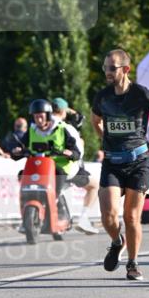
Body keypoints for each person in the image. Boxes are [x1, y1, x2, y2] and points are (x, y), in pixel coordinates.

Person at [91, 48, 149, 281]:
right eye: (105, 68)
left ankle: (133, 263)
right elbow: (95, 119)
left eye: (111, 68)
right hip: (112, 162)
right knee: (108, 215)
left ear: (126, 69)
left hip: (138, 162)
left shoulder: (140, 93)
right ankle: (116, 241)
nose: (107, 72)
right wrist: (105, 138)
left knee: (131, 217)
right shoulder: (102, 96)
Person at [15, 99, 85, 197]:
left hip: (60, 168)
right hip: (38, 166)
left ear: (48, 115)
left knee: (58, 173)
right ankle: (26, 200)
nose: (39, 120)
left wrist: (70, 153)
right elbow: (19, 148)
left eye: (41, 117)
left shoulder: (62, 129)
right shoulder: (31, 130)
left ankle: (56, 198)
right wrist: (17, 151)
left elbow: (77, 153)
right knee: (23, 174)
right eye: (36, 117)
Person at [51, 97, 99, 235]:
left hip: (47, 167)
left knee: (60, 191)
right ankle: (83, 219)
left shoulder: (42, 125)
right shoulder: (66, 127)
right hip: (67, 167)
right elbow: (79, 152)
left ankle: (61, 218)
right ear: (63, 111)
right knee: (94, 185)